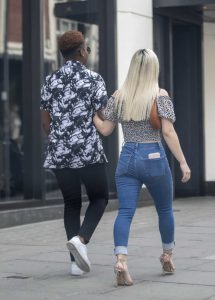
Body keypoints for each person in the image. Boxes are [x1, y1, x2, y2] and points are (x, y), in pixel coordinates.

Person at [93, 49, 191, 286]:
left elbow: (105, 130)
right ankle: (167, 256)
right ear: (153, 69)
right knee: (165, 210)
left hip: (128, 157)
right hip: (154, 156)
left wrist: (91, 116)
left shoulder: (119, 96)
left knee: (125, 211)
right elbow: (167, 131)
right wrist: (182, 162)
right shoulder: (160, 95)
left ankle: (121, 260)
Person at [40, 30, 109, 276]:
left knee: (71, 204)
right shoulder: (94, 79)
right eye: (87, 49)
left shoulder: (50, 81)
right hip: (88, 151)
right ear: (81, 51)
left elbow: (45, 123)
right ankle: (81, 239)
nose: (87, 52)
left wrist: (60, 140)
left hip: (59, 152)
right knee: (100, 198)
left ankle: (75, 264)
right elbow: (103, 117)